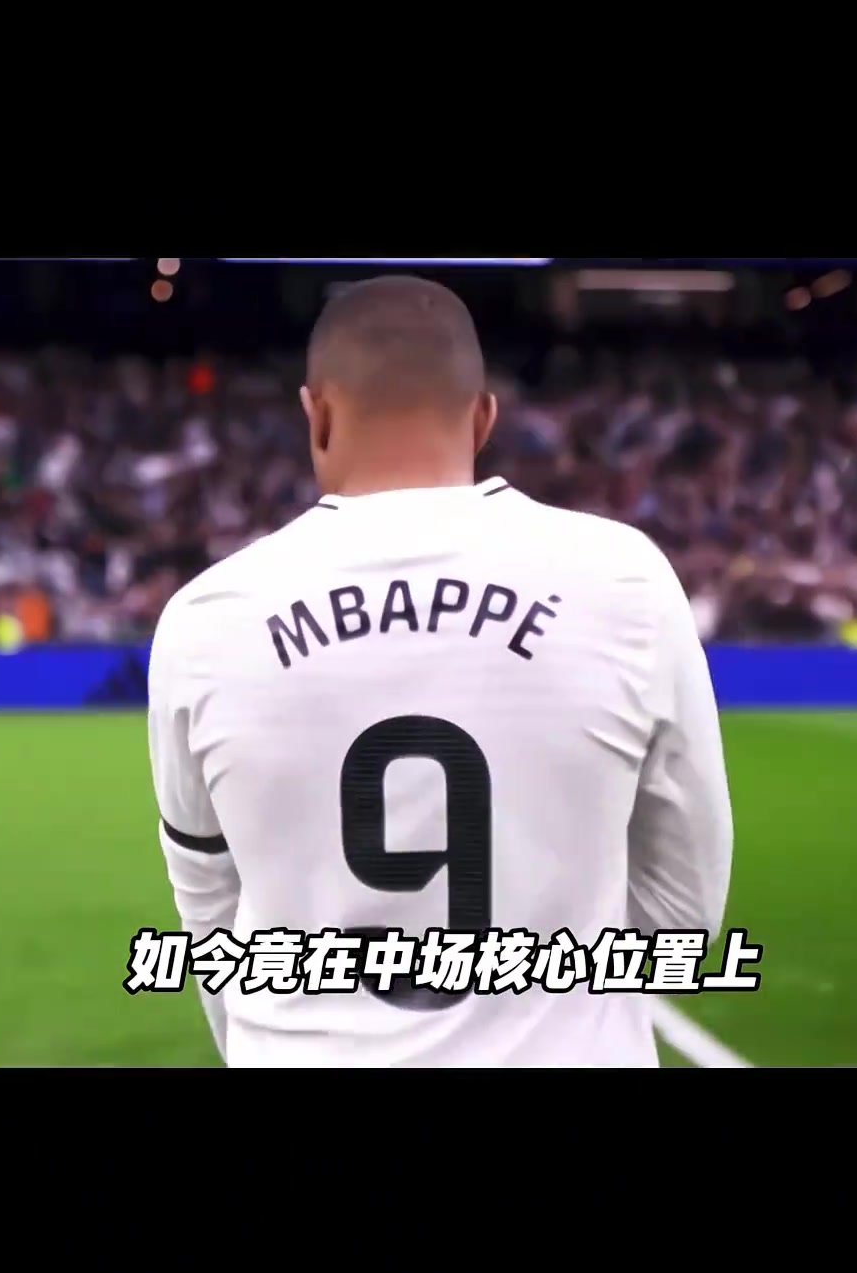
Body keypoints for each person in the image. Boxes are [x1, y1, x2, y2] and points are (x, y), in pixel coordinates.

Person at [146, 275, 734, 1067]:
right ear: (483, 418)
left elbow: (209, 903)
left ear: (317, 415)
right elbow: (685, 908)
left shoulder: (205, 618)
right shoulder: (625, 580)